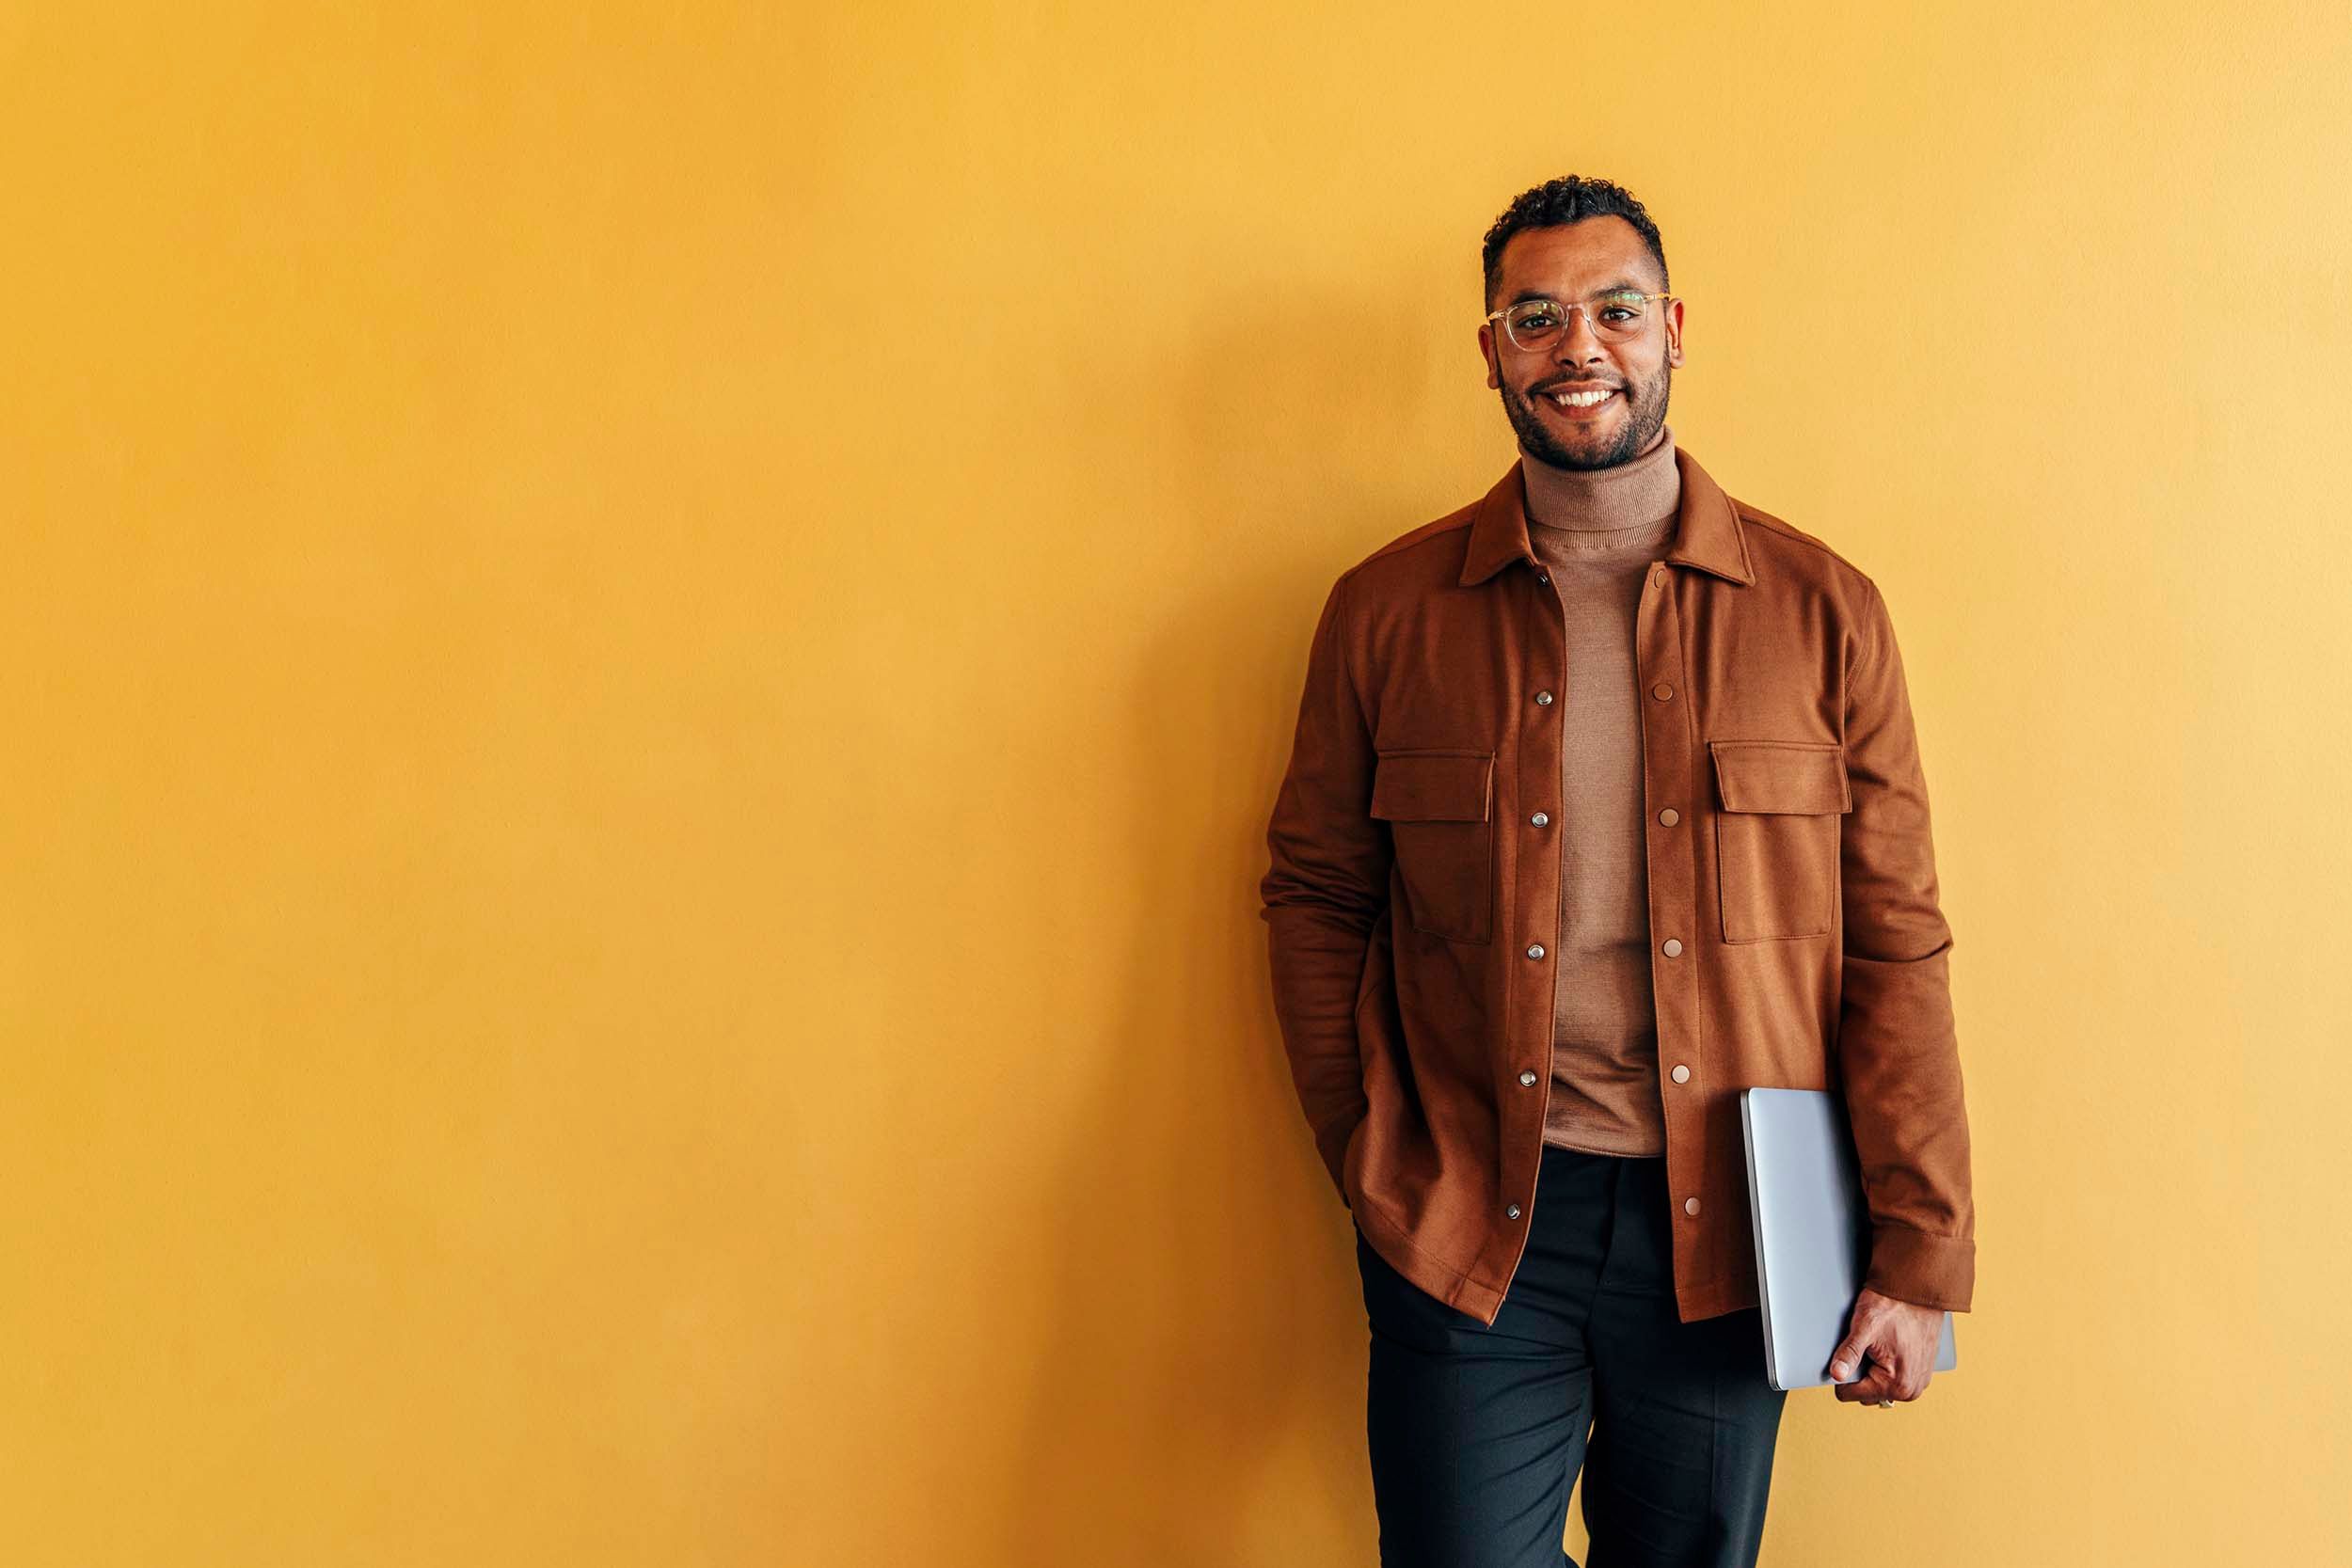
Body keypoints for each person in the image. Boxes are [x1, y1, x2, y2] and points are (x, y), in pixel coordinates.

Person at [1255, 175, 1975, 1568]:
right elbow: (1317, 895)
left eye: (1614, 309)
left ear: (1673, 332)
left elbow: (1897, 943)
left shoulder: (1824, 612)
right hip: (1467, 1222)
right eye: (1537, 317)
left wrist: (1916, 1252)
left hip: (1727, 1234)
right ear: (1493, 352)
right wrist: (1370, 1150)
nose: (1578, 345)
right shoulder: (1386, 613)